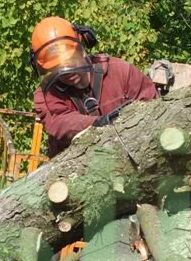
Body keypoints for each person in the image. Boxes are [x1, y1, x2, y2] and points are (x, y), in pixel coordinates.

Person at [29, 16, 157, 156]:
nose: (67, 71)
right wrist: (99, 123)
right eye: (57, 68)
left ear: (82, 50)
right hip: (73, 167)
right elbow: (61, 123)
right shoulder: (46, 94)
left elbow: (154, 108)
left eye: (71, 60)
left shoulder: (121, 72)